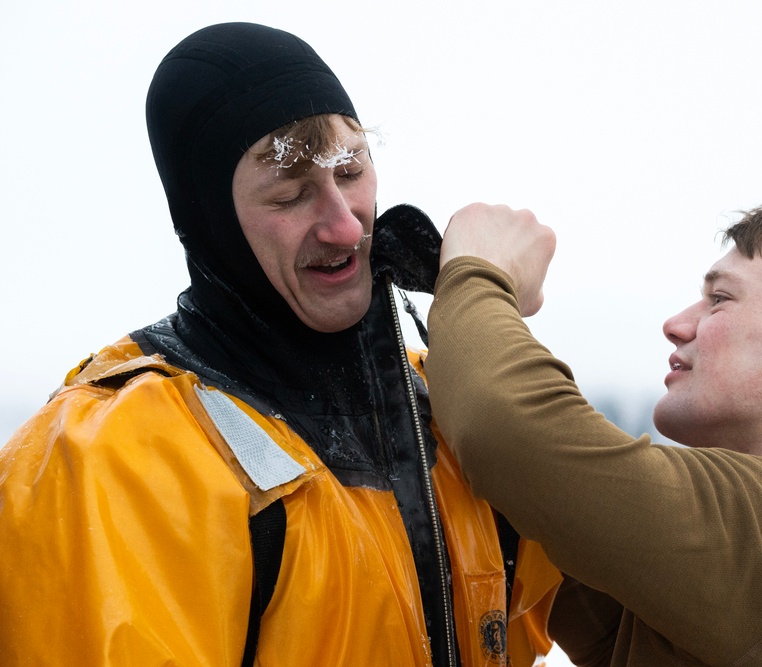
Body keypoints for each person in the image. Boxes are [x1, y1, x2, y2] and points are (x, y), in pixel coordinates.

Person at [0, 23, 562, 667]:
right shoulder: (114, 459)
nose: (345, 225)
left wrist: (490, 325)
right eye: (291, 195)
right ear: (211, 222)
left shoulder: (454, 407)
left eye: (350, 172)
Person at [423, 198, 762, 665]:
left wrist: (477, 270)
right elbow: (560, 535)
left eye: (721, 298)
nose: (678, 323)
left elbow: (512, 431)